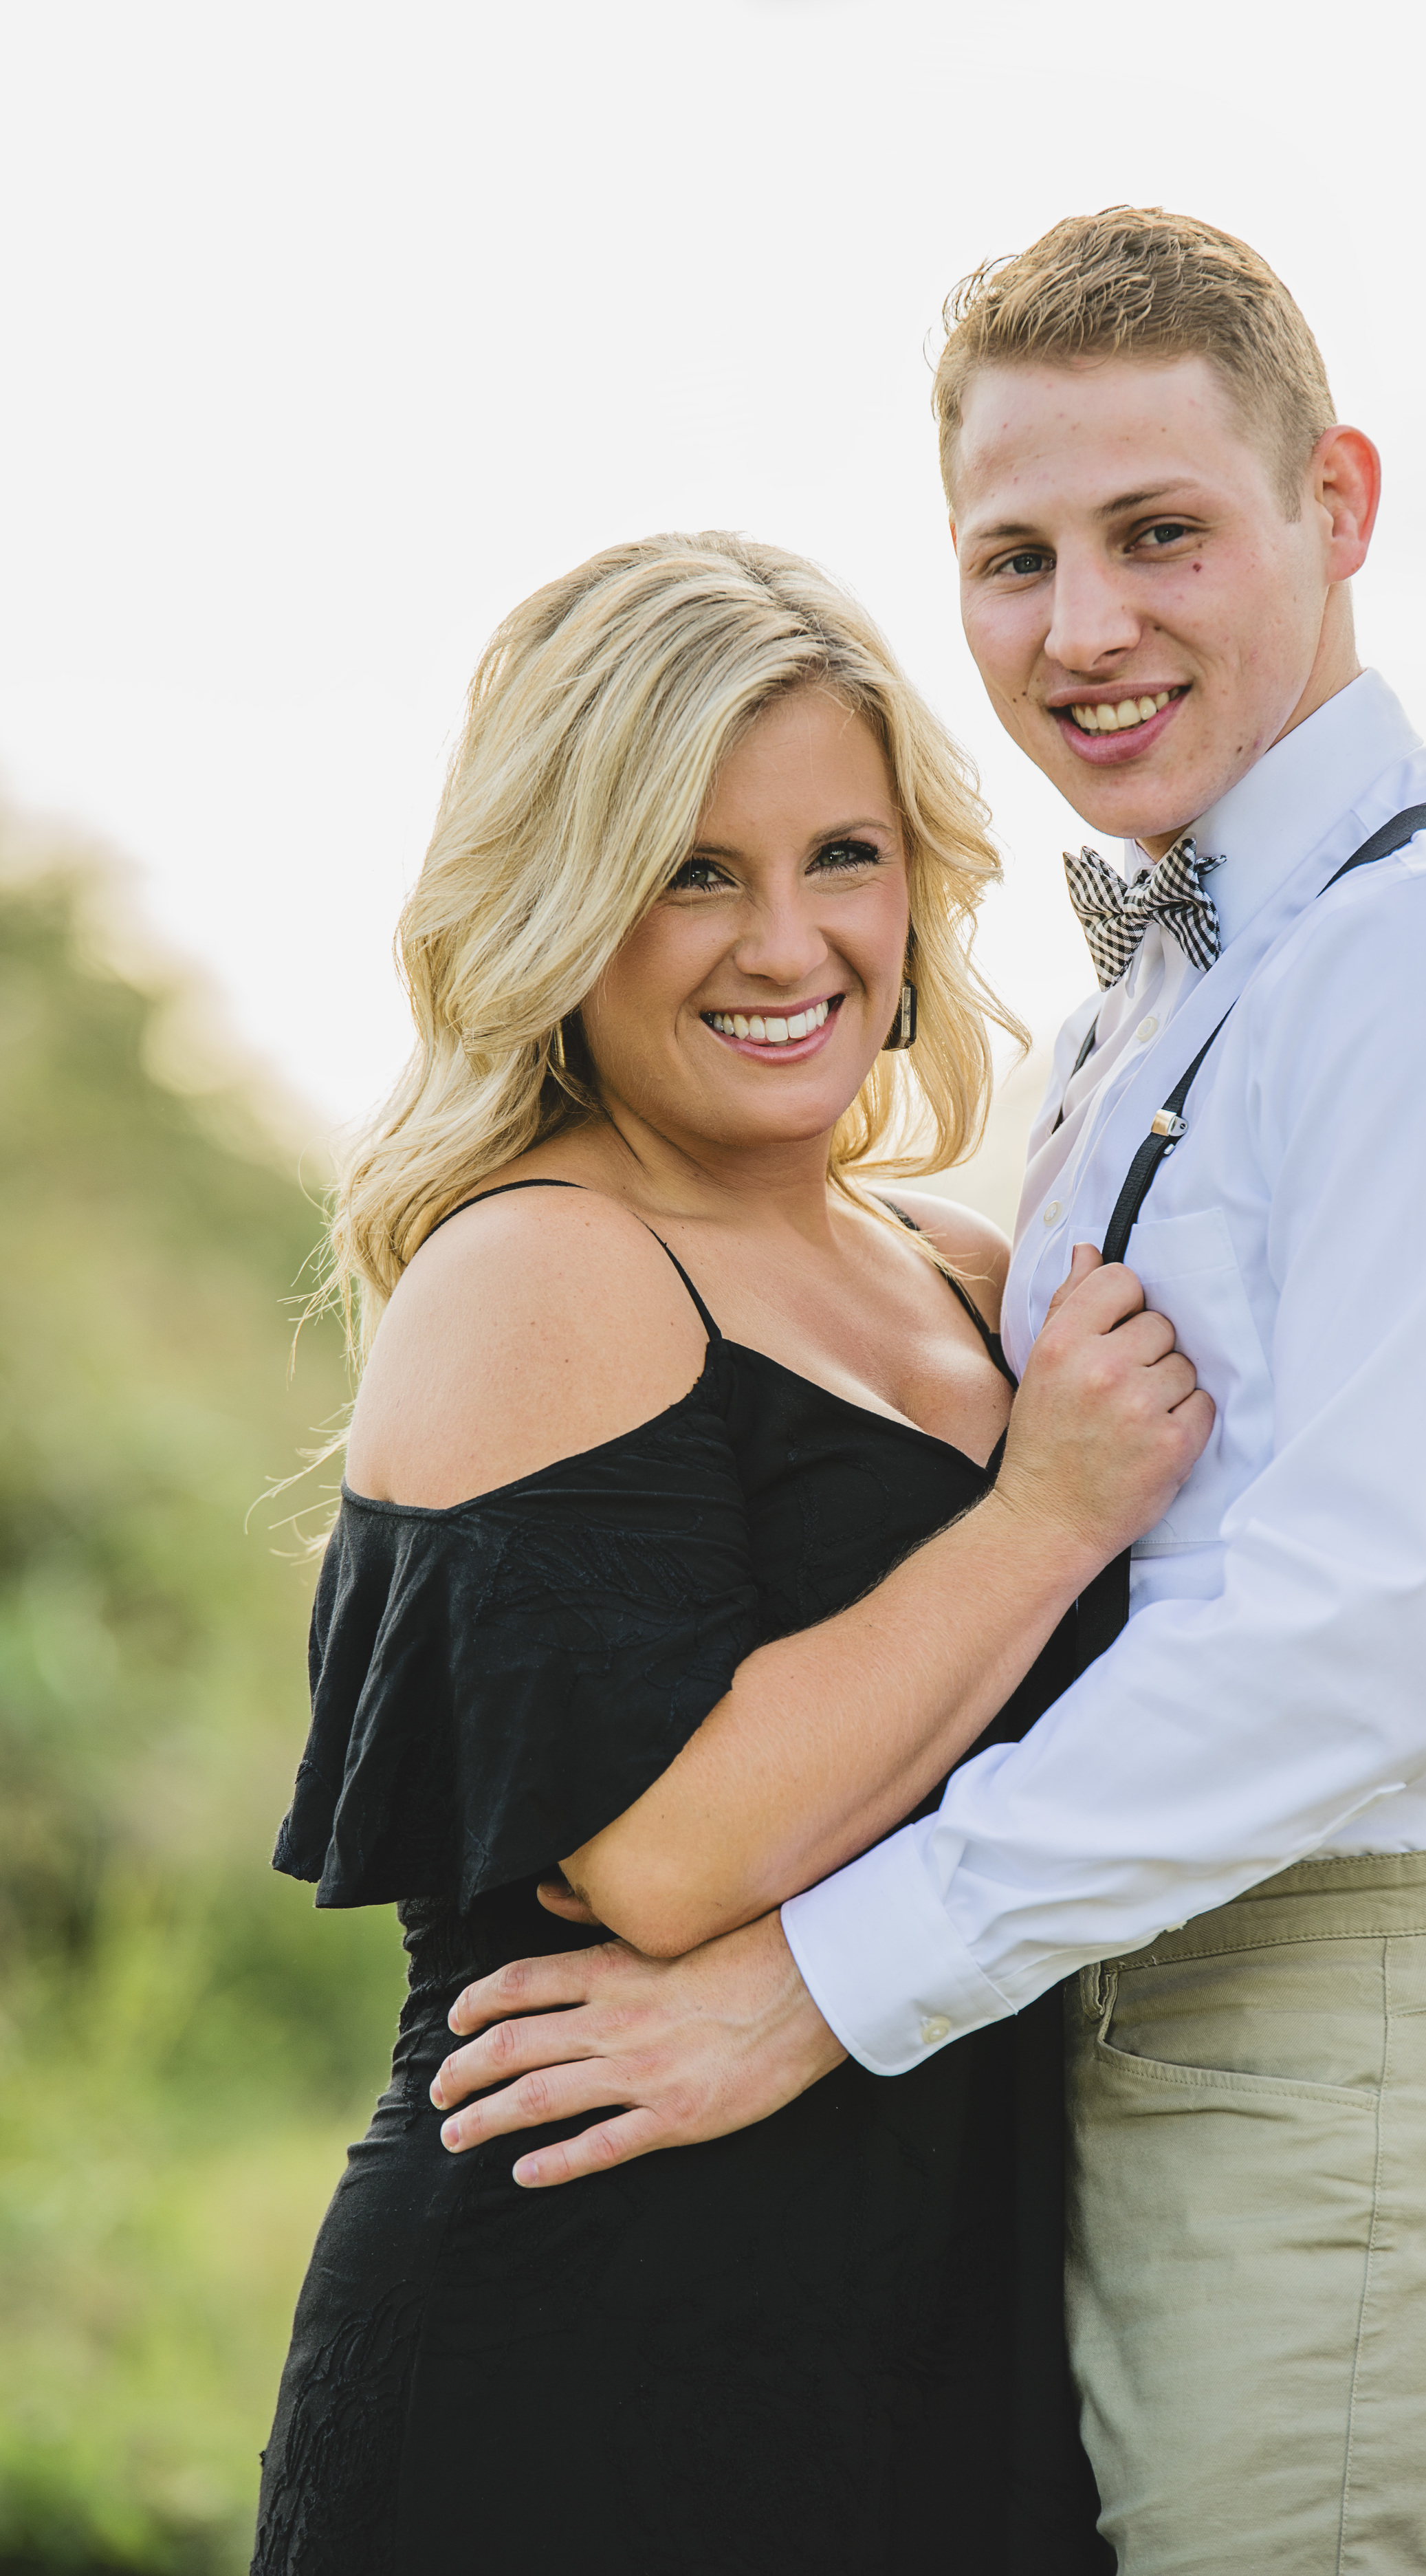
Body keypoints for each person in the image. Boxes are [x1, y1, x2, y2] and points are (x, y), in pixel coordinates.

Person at [434, 212, 1426, 2573]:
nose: (1081, 627)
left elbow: (1367, 1626)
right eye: (1013, 557)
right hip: (1167, 2046)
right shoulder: (1167, 982)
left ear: (1333, 505)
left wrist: (808, 1984)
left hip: (1383, 2069)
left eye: (1158, 534)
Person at [253, 529, 1214, 2575]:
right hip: (587, 2358)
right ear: (561, 901)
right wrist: (1045, 1515)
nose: (788, 942)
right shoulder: (542, 1265)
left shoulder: (955, 1274)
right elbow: (664, 1856)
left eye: (840, 856)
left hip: (949, 2348)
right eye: (696, 870)